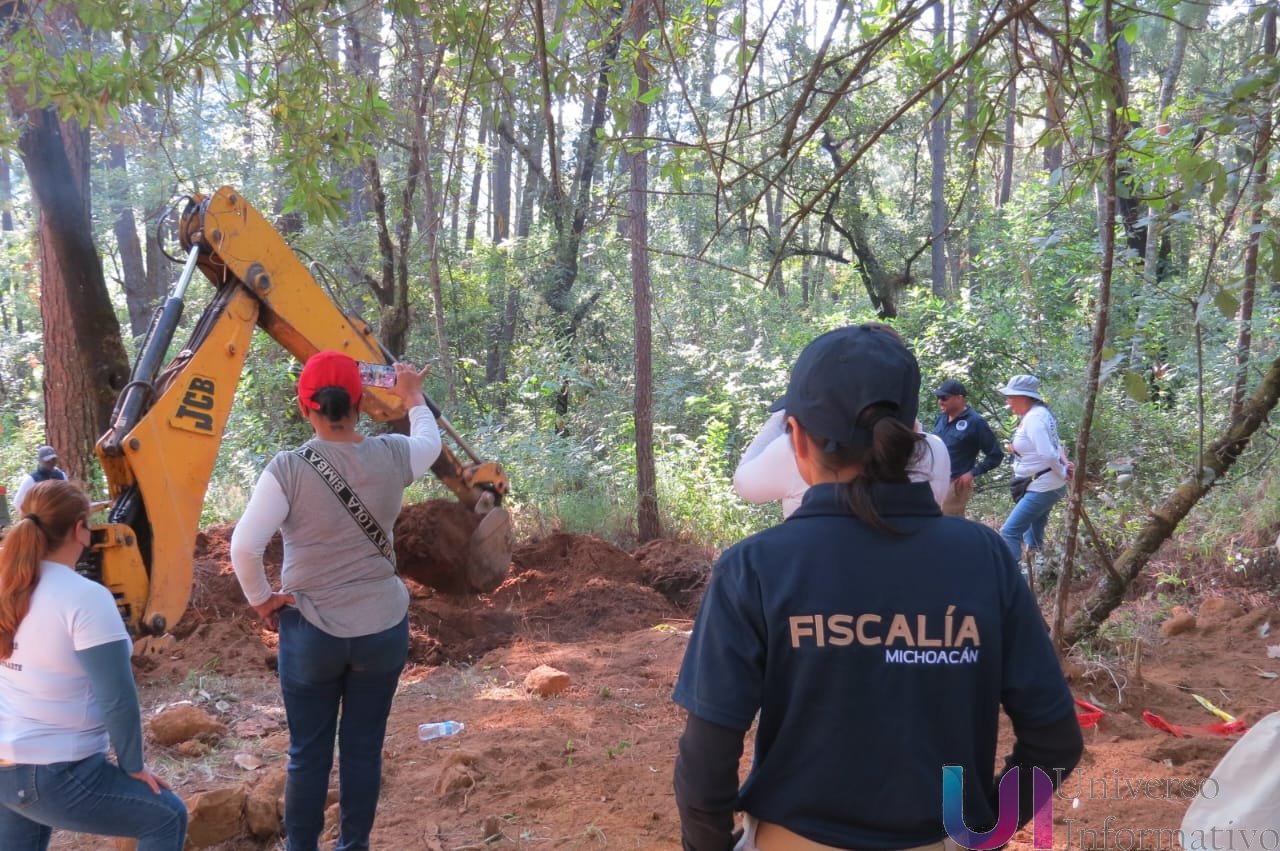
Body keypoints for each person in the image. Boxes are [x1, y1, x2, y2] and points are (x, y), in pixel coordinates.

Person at [674, 326, 1083, 851]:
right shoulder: (984, 559)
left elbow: (705, 765)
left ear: (795, 438)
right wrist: (986, 832)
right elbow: (1054, 741)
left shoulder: (754, 567)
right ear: (913, 432)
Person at [230, 351, 442, 851]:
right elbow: (430, 444)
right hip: (382, 629)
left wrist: (263, 601)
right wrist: (412, 395)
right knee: (363, 750)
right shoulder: (393, 455)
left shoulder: (288, 469)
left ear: (305, 407)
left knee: (308, 754)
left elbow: (244, 548)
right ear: (360, 404)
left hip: (312, 633)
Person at [0, 479, 188, 850]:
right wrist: (133, 766)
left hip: (6, 765)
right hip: (55, 772)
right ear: (79, 529)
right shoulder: (86, 598)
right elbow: (117, 697)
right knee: (167, 816)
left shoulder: (10, 587)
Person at [734, 327, 949, 516]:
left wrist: (781, 416)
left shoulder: (792, 452)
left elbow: (745, 485)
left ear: (798, 438)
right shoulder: (935, 450)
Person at [997, 374, 1071, 568]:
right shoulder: (1038, 414)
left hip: (1043, 486)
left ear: (1023, 397)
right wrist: (1065, 464)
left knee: (1009, 532)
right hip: (1043, 484)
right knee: (1034, 532)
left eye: (1011, 397)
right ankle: (1038, 571)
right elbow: (1055, 444)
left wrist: (1063, 472)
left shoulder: (1035, 419)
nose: (1008, 402)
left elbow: (1048, 453)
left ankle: (1014, 577)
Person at [931, 379, 1004, 517]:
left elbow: (995, 455)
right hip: (934, 480)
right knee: (931, 520)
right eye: (938, 397)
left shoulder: (976, 422)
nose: (940, 401)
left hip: (955, 483)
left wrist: (971, 474)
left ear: (959, 398)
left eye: (944, 398)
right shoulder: (941, 419)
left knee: (949, 522)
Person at [12, 446, 67, 516]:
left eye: (53, 459)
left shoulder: (62, 475)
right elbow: (18, 502)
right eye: (47, 460)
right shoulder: (31, 479)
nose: (51, 462)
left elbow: (68, 497)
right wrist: (32, 517)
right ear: (40, 461)